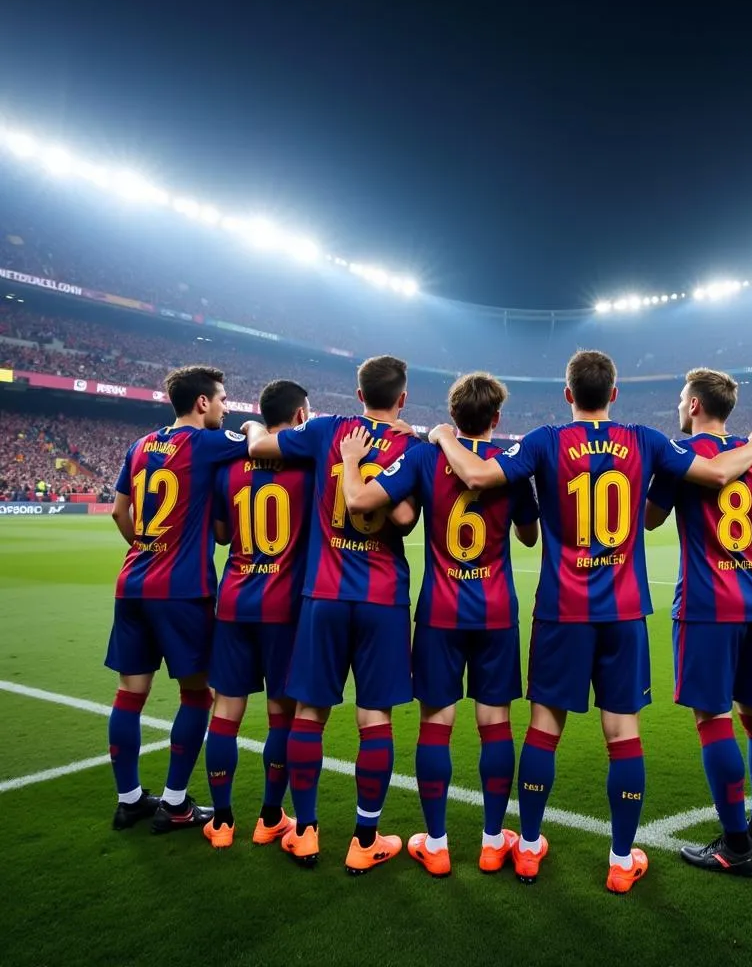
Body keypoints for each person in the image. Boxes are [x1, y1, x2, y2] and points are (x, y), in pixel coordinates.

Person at [428, 350, 752, 894]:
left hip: (562, 610)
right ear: (614, 394)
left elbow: (475, 472)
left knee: (544, 728)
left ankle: (526, 849)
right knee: (623, 733)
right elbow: (715, 472)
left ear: (569, 395)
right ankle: (620, 860)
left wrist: (441, 436)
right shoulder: (644, 439)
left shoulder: (545, 440)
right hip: (623, 610)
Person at [337, 371, 540, 877]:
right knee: (495, 725)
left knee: (436, 725)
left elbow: (378, 504)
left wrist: (416, 444)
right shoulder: (510, 465)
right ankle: (494, 843)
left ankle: (437, 843)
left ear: (451, 415)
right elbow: (531, 537)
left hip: (440, 611)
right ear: (496, 418)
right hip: (495, 610)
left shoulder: (427, 456)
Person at [245, 355, 420, 871]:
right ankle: (365, 840)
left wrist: (254, 424)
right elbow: (407, 519)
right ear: (402, 399)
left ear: (358, 392)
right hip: (382, 598)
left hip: (322, 594)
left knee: (309, 713)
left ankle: (305, 830)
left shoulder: (325, 429)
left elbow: (259, 445)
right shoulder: (410, 445)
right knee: (374, 717)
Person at [645, 368, 752, 877]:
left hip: (707, 605)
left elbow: (652, 519)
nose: (680, 407)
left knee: (713, 720)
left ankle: (736, 846)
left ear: (696, 404)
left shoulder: (681, 459)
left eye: (682, 399)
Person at [106, 365, 248, 833]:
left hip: (132, 584)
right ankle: (174, 803)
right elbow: (265, 441)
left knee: (130, 694)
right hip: (180, 590)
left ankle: (129, 800)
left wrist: (143, 546)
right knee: (196, 694)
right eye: (223, 400)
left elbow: (118, 510)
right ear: (203, 402)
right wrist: (249, 426)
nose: (227, 408)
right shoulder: (207, 443)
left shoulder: (140, 445)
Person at [202, 380, 315, 850]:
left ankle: (223, 821)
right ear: (301, 416)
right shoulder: (308, 467)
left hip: (233, 601)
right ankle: (271, 816)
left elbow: (223, 535)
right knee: (280, 717)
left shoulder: (229, 468)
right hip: (283, 607)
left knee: (225, 714)